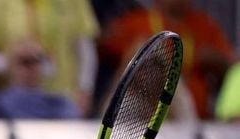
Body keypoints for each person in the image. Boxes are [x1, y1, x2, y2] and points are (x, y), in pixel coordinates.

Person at [99, 0, 233, 120]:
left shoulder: (204, 25)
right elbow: (101, 44)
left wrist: (215, 59)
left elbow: (232, 67)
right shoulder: (137, 22)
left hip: (193, 117)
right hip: (138, 112)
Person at [0, 0, 99, 115]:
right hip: (13, 101)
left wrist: (85, 89)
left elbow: (85, 49)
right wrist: (10, 64)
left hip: (62, 97)